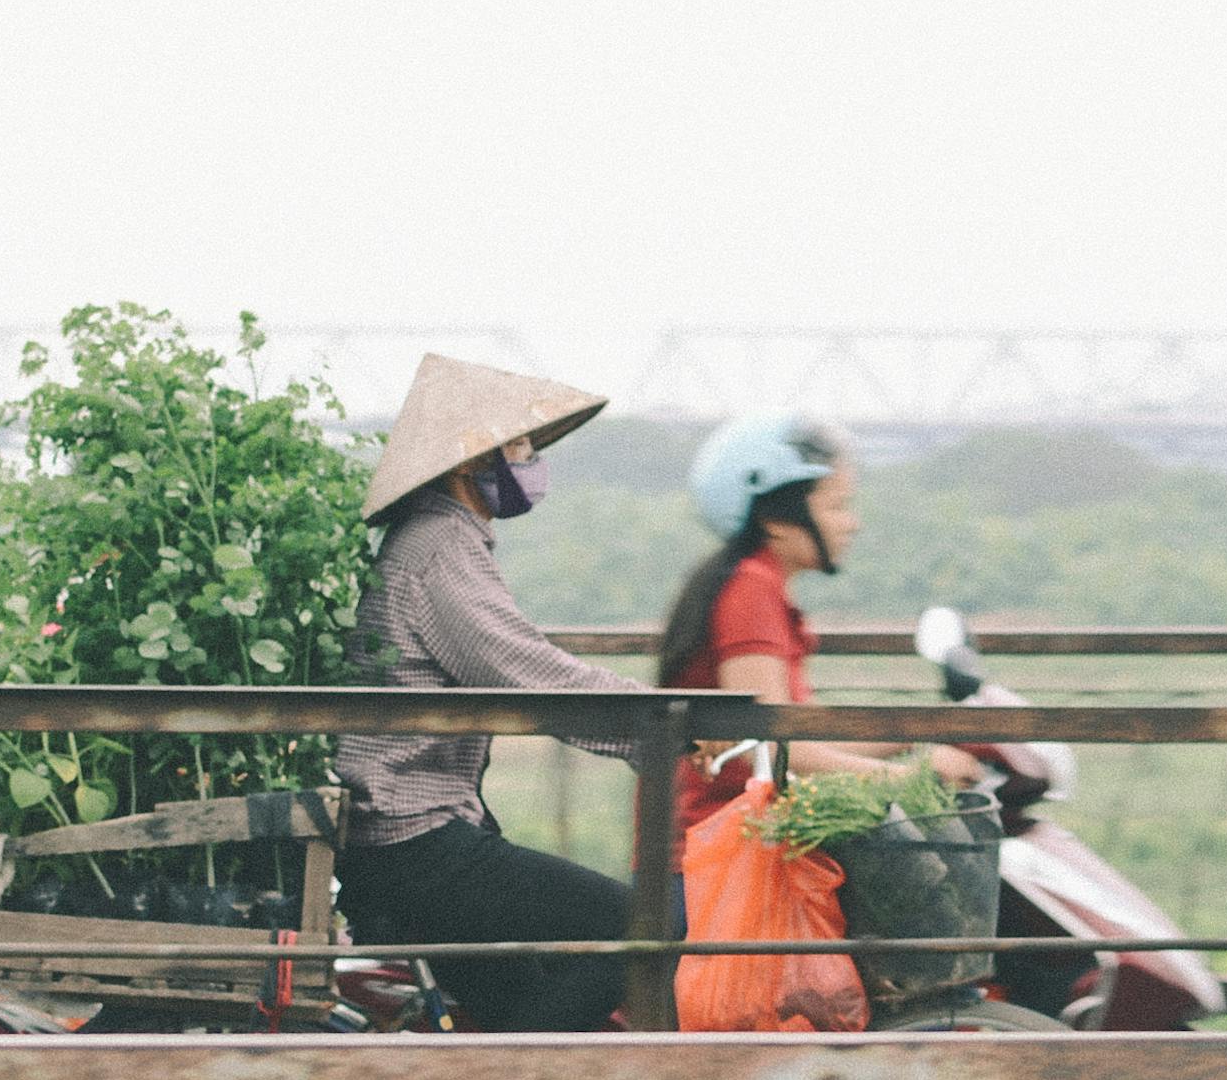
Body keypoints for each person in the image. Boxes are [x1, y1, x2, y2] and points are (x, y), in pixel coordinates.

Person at [332, 352, 658, 1032]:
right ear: (467, 461)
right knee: (643, 926)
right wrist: (655, 726)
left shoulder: (443, 540)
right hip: (412, 842)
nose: (531, 459)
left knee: (514, 1001)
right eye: (518, 446)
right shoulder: (439, 548)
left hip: (415, 836)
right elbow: (528, 672)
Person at [656, 413, 983, 839]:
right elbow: (770, 745)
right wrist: (910, 777)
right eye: (836, 506)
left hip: (748, 843)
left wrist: (915, 731)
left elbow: (802, 739)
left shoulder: (758, 583)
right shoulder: (750, 591)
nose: (852, 523)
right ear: (775, 520)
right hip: (719, 858)